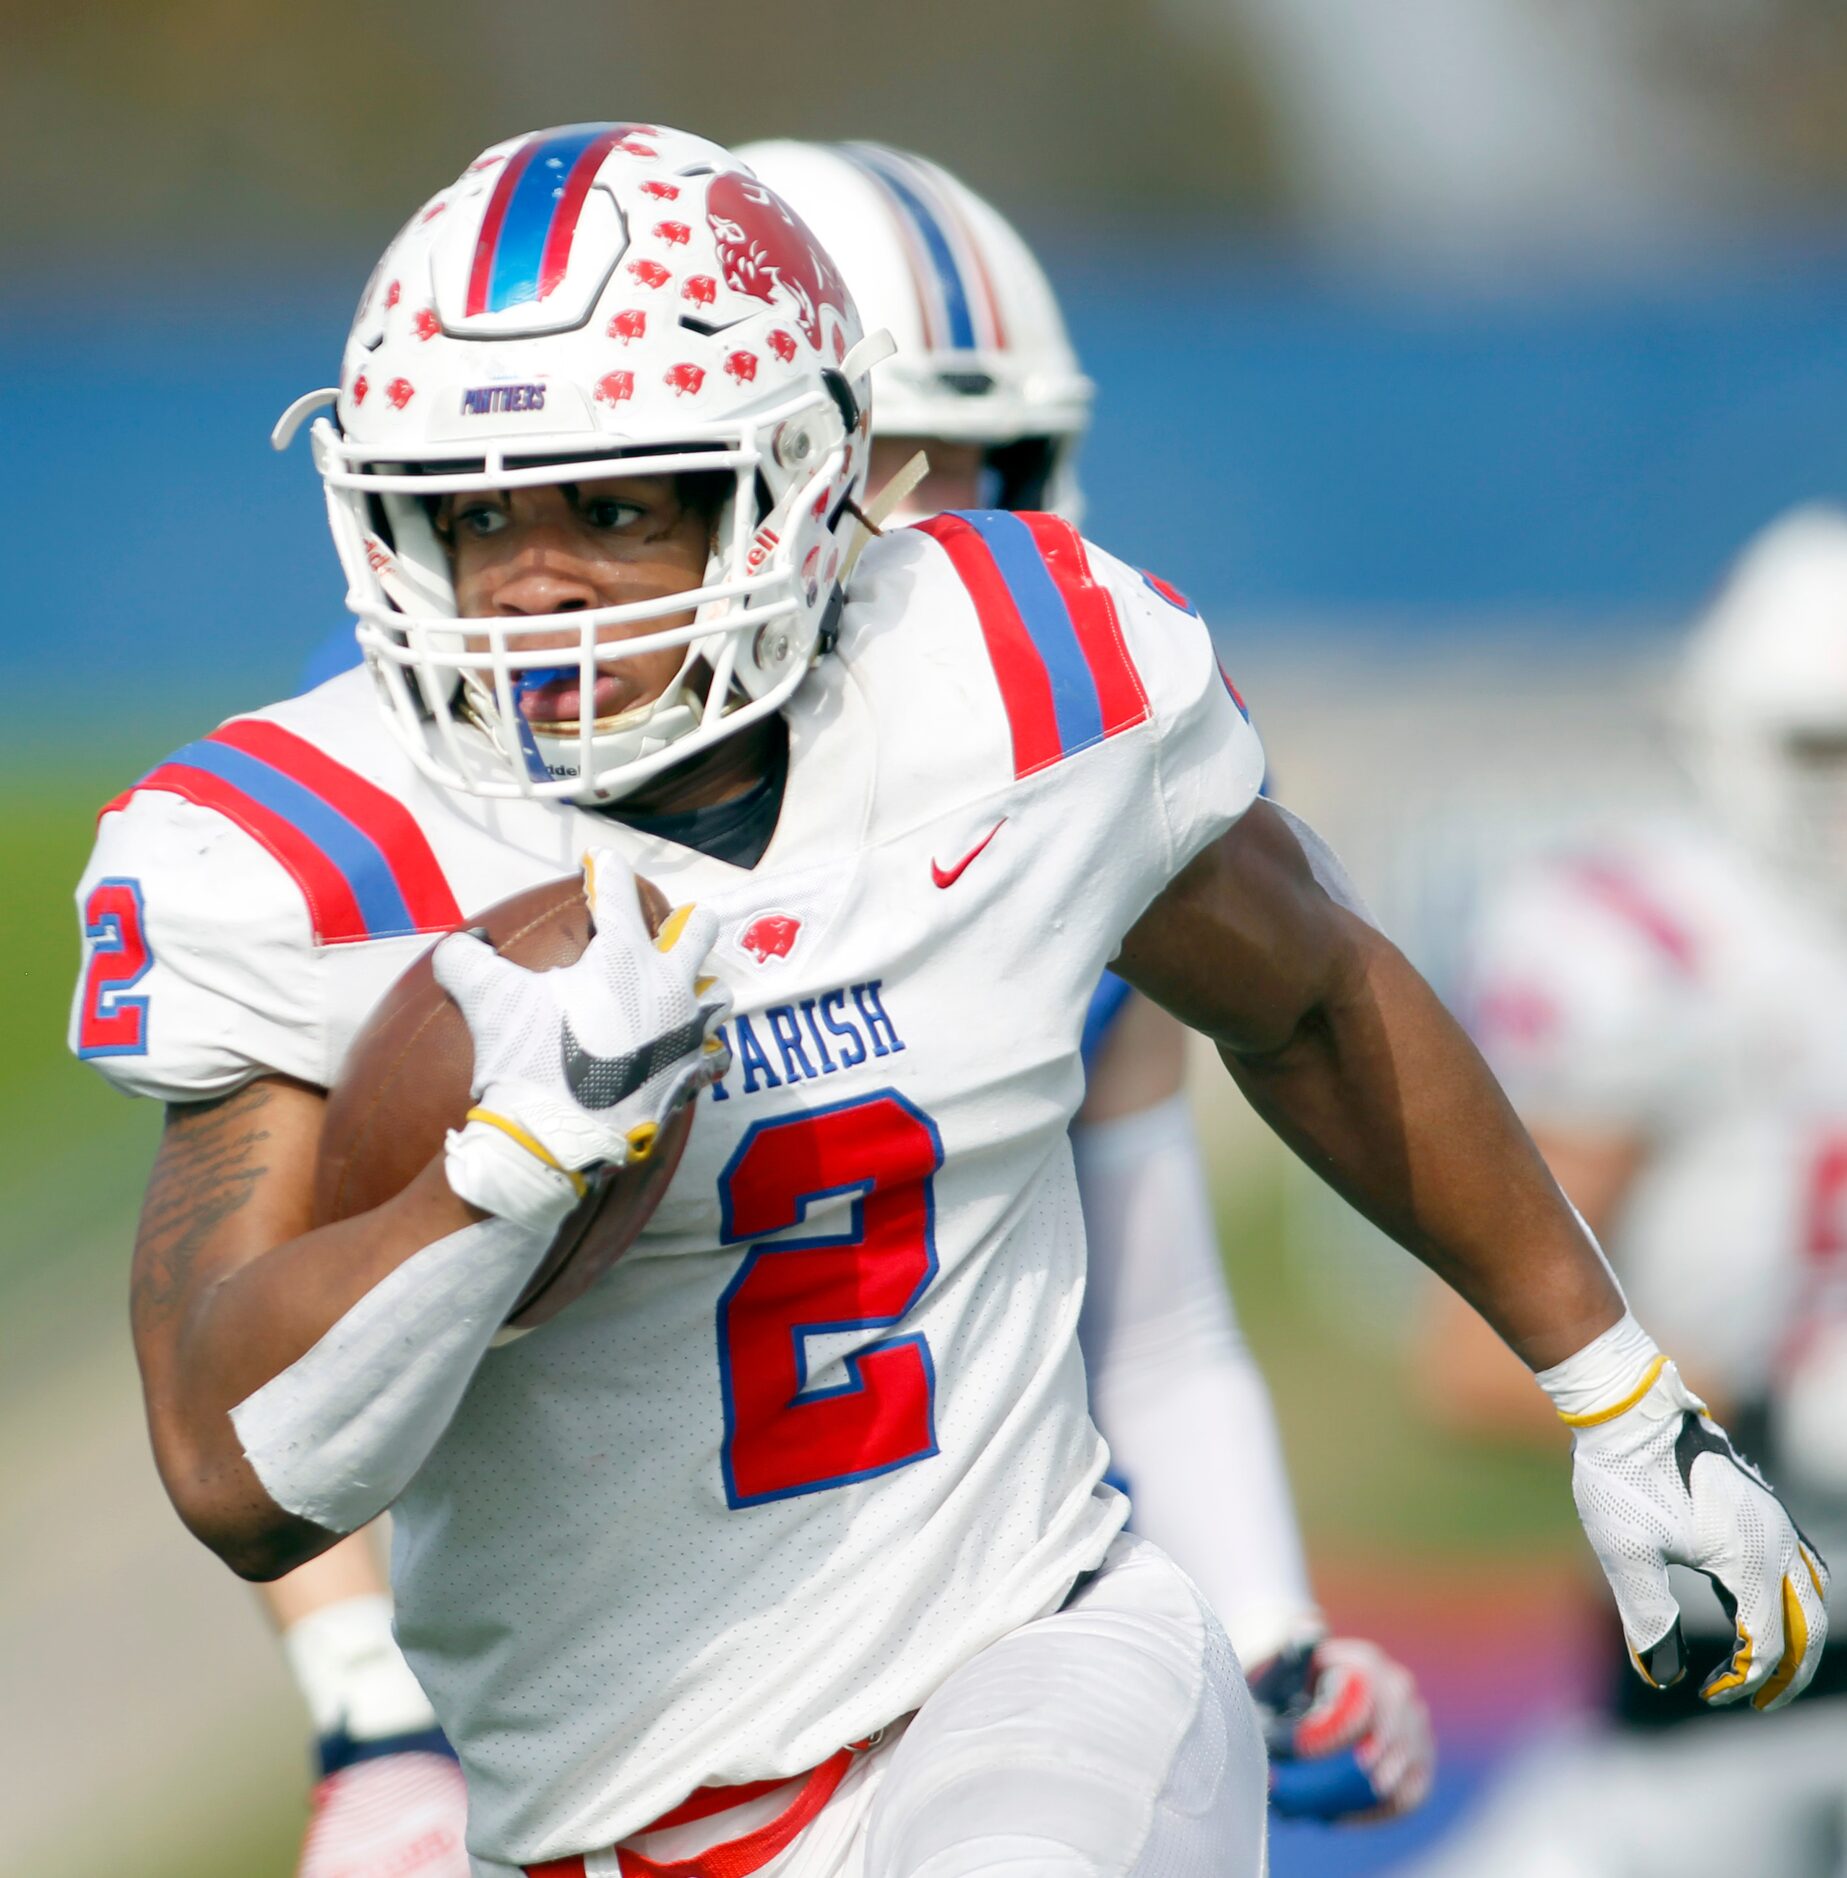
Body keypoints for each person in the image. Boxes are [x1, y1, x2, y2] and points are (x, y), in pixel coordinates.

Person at [72, 123, 1825, 1878]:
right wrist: (488, 1187)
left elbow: (1310, 988)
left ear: (794, 483)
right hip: (592, 1807)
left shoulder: (1008, 690)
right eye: (477, 515)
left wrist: (1616, 1392)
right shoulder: (302, 852)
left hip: (1030, 1668)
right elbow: (236, 1471)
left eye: (614, 505)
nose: (535, 582)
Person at [267, 137, 1433, 1865]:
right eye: (897, 460)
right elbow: (306, 1311)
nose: (934, 523)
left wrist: (1264, 1624)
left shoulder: (1044, 772)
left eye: (982, 466)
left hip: (913, 1663)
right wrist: (369, 1714)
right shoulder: (434, 795)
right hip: (570, 1711)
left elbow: (1157, 1301)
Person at [1410, 504, 1847, 1878]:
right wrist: (1780, 1410)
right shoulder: (1660, 942)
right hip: (1742, 1687)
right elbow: (1478, 1362)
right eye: (1821, 743)